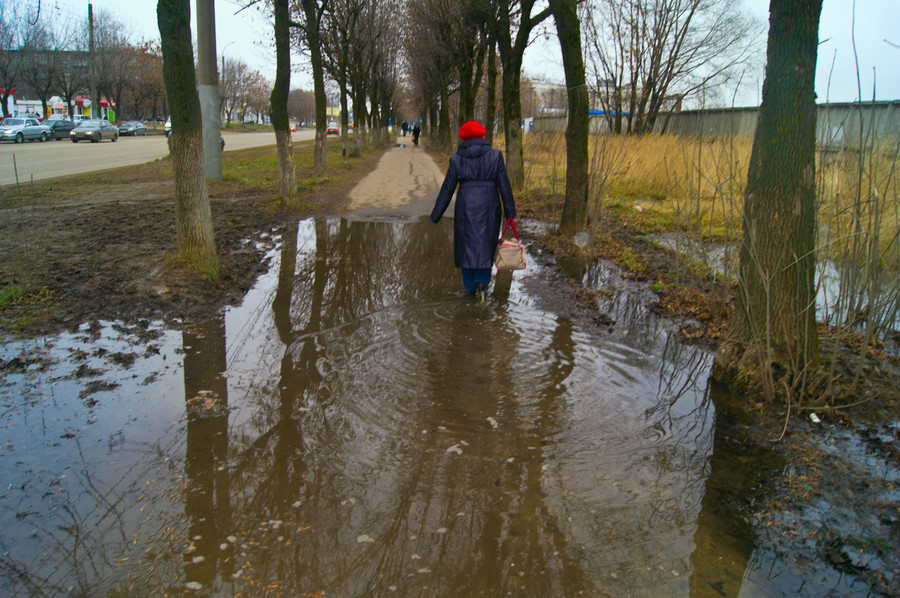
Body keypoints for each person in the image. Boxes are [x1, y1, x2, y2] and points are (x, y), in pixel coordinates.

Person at [431, 120, 516, 295]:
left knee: (466, 246)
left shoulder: (456, 159)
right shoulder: (495, 156)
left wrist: (436, 214)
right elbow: (504, 186)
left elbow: (447, 188)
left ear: (462, 139)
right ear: (483, 136)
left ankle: (469, 289)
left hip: (465, 206)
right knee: (486, 244)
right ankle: (483, 285)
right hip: (490, 205)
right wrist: (510, 213)